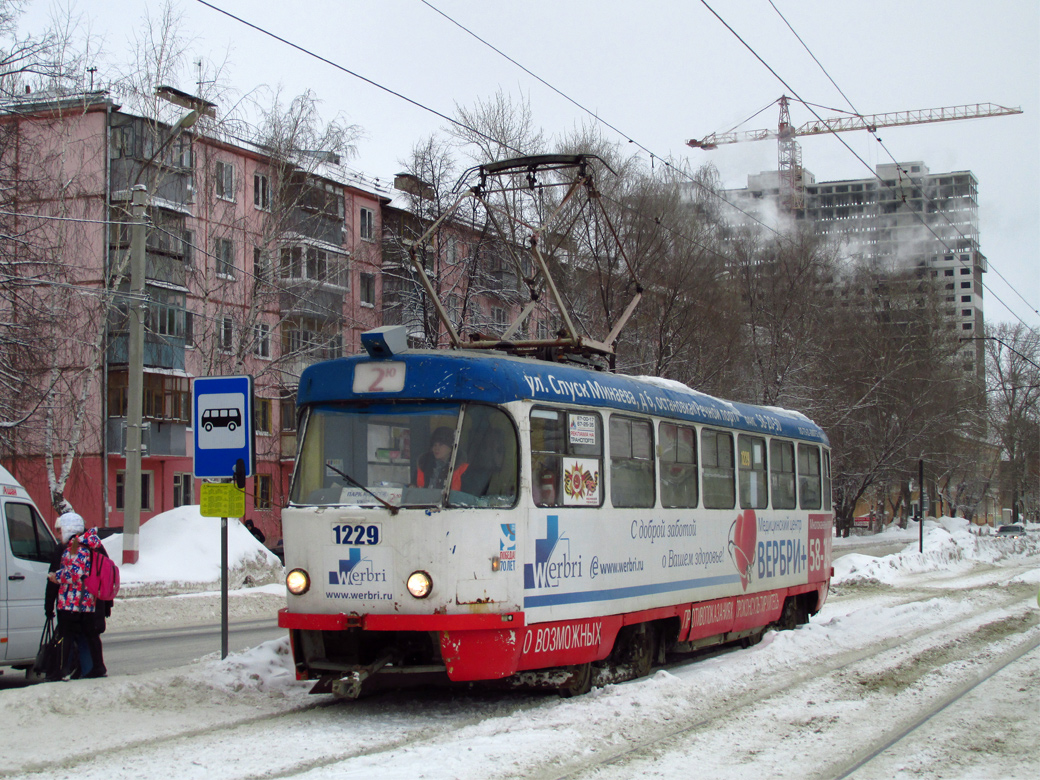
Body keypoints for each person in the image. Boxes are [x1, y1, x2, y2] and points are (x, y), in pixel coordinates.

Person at [46, 512, 107, 679]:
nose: (58, 535)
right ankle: (96, 667)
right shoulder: (90, 546)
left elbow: (75, 572)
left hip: (73, 601)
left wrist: (56, 577)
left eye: (60, 530)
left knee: (66, 635)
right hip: (86, 601)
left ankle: (61, 670)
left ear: (68, 529)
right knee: (90, 635)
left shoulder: (76, 548)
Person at [416, 426, 469, 490]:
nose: (436, 448)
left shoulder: (463, 469)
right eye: (434, 445)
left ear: (451, 447)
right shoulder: (423, 465)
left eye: (441, 445)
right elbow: (416, 488)